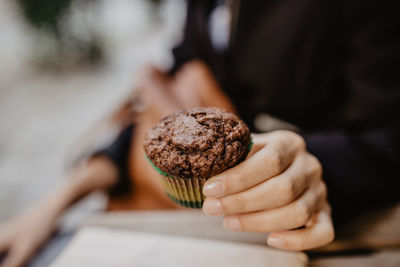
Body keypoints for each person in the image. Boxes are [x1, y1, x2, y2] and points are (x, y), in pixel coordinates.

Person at [1, 0, 399, 266]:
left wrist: (313, 167)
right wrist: (56, 201)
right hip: (201, 231)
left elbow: (387, 138)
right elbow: (175, 93)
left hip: (323, 227)